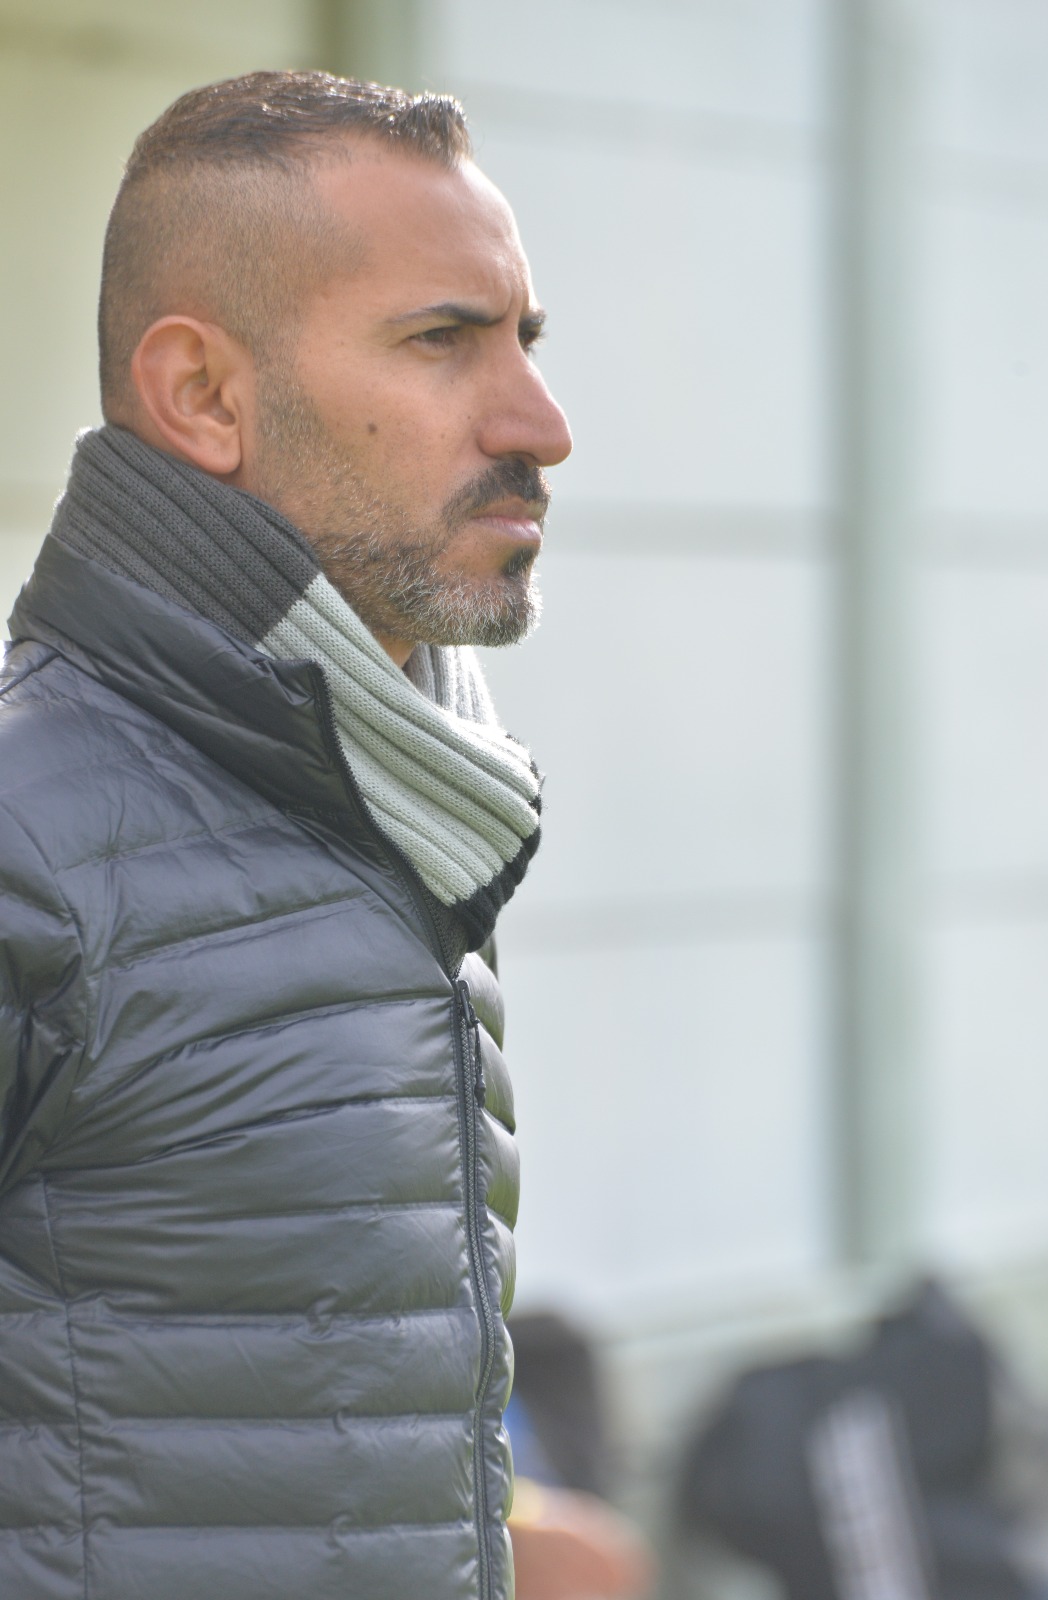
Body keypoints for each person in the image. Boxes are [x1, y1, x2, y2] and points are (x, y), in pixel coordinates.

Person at [0, 71, 571, 1600]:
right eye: (443, 339)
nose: (541, 424)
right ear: (203, 396)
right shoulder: (28, 846)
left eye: (524, 340)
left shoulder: (402, 806)